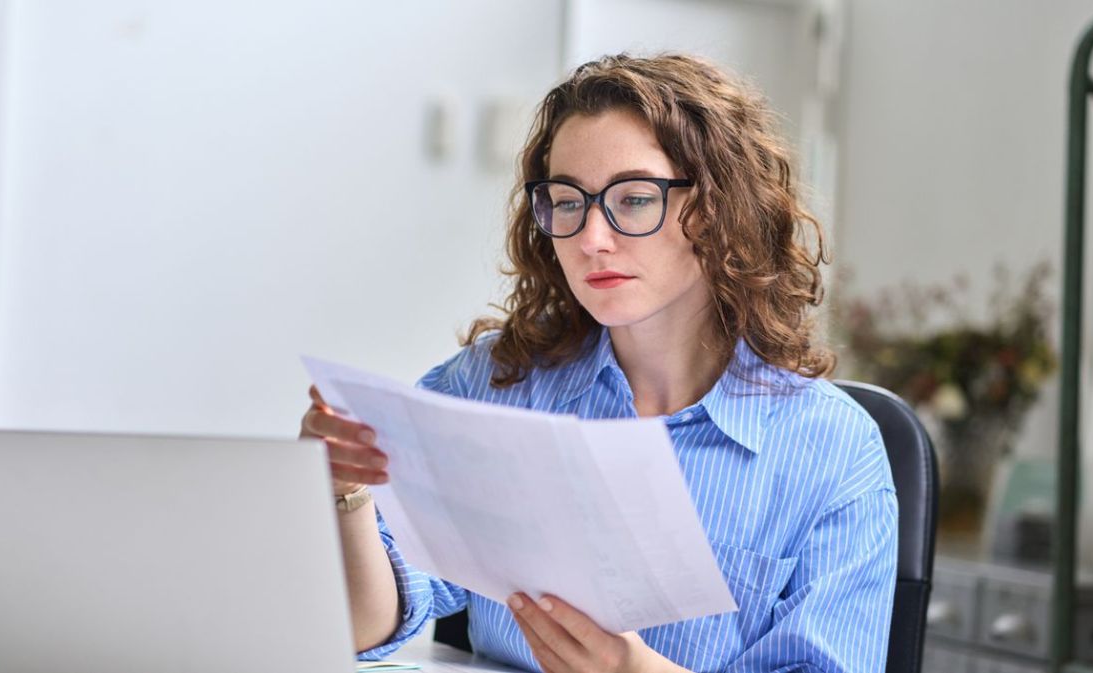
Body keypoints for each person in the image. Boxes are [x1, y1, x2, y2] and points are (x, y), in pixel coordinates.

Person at [300, 53, 897, 673]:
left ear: (720, 210)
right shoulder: (492, 382)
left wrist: (631, 671)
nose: (590, 238)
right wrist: (345, 496)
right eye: (566, 201)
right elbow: (368, 628)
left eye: (634, 199)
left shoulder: (836, 450)